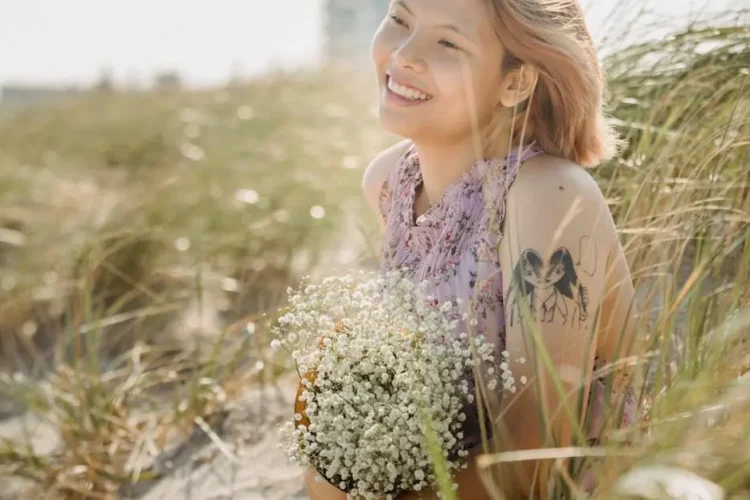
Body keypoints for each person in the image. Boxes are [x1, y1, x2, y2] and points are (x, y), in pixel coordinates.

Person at [305, 0, 639, 497]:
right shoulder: (389, 183)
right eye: (399, 19)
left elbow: (536, 458)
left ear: (515, 83)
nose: (404, 53)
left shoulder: (549, 196)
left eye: (448, 43)